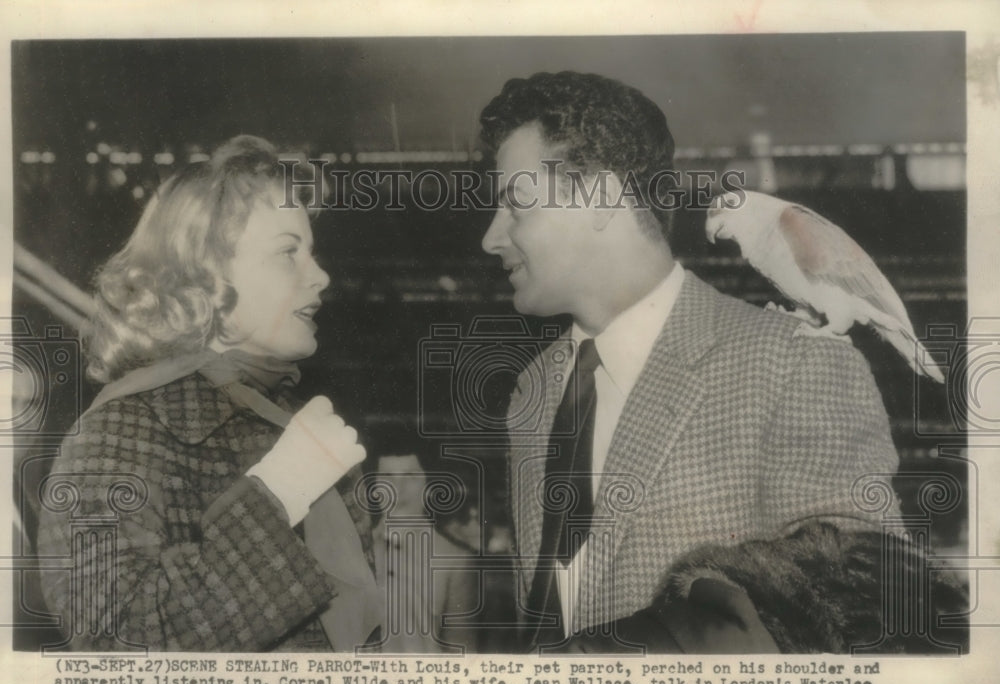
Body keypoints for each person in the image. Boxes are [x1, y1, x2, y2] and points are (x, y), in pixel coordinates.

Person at [479, 72, 963, 653]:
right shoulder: (530, 393)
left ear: (600, 197)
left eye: (515, 204)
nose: (491, 236)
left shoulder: (793, 361)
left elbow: (873, 602)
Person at [36, 135, 381, 652]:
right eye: (289, 253)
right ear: (204, 276)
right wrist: (281, 490)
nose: (321, 276)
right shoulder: (117, 432)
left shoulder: (282, 418)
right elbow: (112, 651)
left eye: (313, 253)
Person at [364, 423, 479, 653]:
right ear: (375, 487)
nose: (398, 488)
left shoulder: (453, 559)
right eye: (387, 476)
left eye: (410, 476)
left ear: (428, 486)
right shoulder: (357, 550)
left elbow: (462, 651)